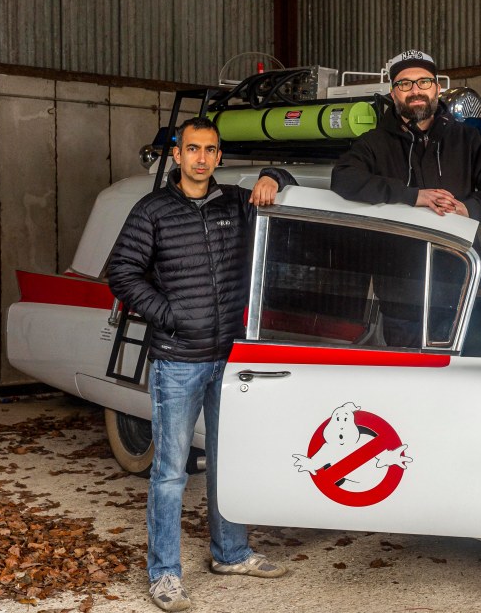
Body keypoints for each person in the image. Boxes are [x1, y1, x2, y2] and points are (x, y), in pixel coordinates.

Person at [107, 117, 295, 612]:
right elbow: (122, 273)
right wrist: (171, 315)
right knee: (170, 471)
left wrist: (274, 175)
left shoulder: (235, 201)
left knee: (229, 461)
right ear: (177, 154)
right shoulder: (152, 210)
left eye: (210, 150)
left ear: (218, 156)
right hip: (179, 360)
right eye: (192, 149)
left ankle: (230, 553)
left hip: (230, 358)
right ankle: (164, 575)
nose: (201, 158)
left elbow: (284, 183)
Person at [329, 49, 481, 222]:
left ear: (437, 89)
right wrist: (411, 196)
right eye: (404, 84)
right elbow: (344, 178)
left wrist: (470, 209)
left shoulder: (467, 139)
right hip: (399, 255)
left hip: (459, 254)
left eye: (424, 82)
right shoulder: (375, 141)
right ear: (393, 94)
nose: (415, 91)